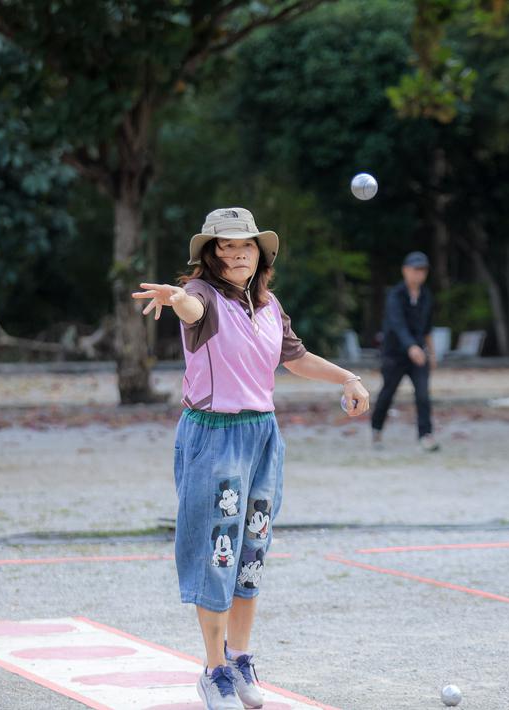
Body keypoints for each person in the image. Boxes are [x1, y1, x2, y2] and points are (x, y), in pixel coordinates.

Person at [132, 207, 370, 710]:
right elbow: (191, 309)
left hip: (262, 435)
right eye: (227, 245)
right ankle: (213, 670)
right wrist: (176, 298)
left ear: (261, 254)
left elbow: (296, 358)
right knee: (217, 550)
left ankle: (239, 658)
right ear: (211, 253)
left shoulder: (268, 305)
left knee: (251, 551)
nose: (239, 253)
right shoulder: (202, 296)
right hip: (214, 434)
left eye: (247, 245)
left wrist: (348, 378)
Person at [370, 250, 439, 452]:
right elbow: (397, 324)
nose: (419, 274)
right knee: (388, 393)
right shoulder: (395, 295)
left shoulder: (426, 296)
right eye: (415, 269)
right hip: (394, 354)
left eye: (423, 270)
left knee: (423, 395)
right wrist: (411, 347)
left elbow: (427, 328)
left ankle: (426, 435)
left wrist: (431, 353)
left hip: (418, 355)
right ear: (405, 270)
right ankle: (376, 429)